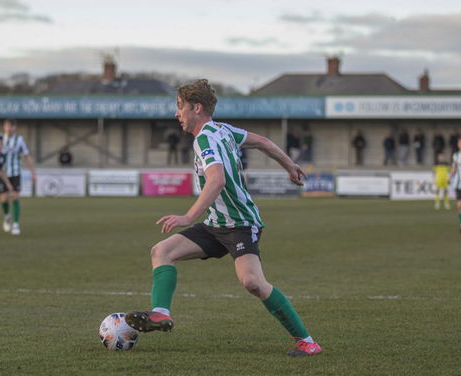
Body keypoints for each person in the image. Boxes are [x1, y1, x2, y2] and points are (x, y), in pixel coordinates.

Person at [124, 79, 322, 357]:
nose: (176, 113)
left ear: (196, 107)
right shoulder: (223, 129)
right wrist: (289, 164)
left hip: (241, 223)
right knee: (162, 251)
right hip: (216, 224)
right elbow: (263, 142)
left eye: (179, 107)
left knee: (253, 282)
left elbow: (215, 180)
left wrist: (188, 216)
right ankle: (160, 313)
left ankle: (307, 342)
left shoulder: (205, 137)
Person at [0, 119, 37, 236]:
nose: (9, 128)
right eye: (7, 126)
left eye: (11, 126)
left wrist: (33, 172)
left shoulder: (19, 140)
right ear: (4, 127)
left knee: (15, 197)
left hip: (15, 172)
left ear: (15, 128)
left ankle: (16, 225)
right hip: (3, 172)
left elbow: (26, 156)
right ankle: (7, 216)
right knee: (4, 198)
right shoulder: (0, 139)